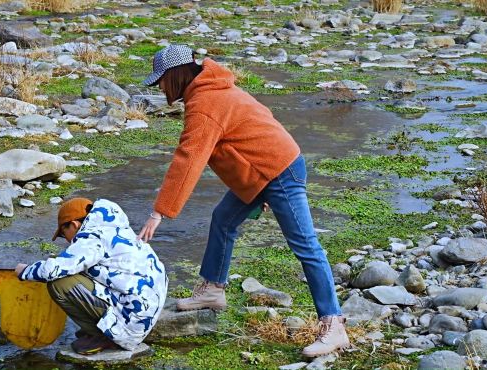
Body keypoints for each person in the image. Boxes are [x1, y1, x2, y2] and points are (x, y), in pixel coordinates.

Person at [137, 45, 349, 358]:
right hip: (260, 172)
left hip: (280, 170)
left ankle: (334, 325)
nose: (161, 88)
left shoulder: (206, 102)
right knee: (223, 218)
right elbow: (240, 142)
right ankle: (212, 290)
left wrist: (159, 212)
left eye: (162, 81)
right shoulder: (212, 87)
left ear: (176, 75)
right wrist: (252, 187)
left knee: (306, 245)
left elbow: (189, 158)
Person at [16, 197, 167, 355]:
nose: (67, 241)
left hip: (130, 326)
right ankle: (99, 328)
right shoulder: (115, 228)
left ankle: (104, 335)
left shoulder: (91, 238)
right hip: (144, 312)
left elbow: (52, 271)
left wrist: (25, 271)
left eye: (63, 234)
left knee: (59, 284)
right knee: (69, 268)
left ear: (74, 225)